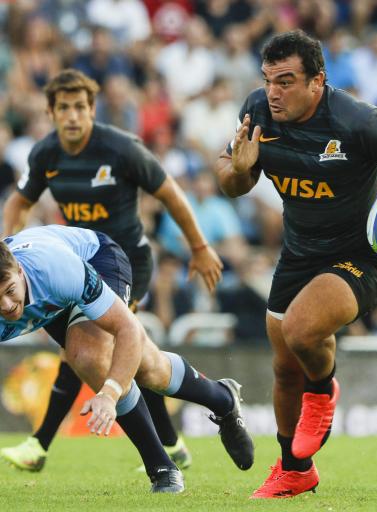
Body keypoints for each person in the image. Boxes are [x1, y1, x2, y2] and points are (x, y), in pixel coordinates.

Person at [215, 30, 377, 498]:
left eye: (286, 81)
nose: (274, 92)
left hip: (360, 256)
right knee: (284, 367)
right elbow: (230, 180)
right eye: (268, 80)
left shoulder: (357, 121)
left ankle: (323, 390)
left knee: (301, 330)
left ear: (318, 81)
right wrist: (240, 169)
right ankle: (294, 468)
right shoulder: (258, 111)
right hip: (299, 253)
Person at [0, 68, 220, 473]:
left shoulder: (121, 149)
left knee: (92, 351)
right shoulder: (45, 154)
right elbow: (18, 202)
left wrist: (200, 247)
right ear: (50, 112)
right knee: (120, 357)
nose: (72, 116)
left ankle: (41, 445)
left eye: (79, 107)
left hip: (122, 260)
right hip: (71, 262)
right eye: (63, 108)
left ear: (92, 109)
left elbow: (170, 192)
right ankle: (173, 444)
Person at [0, 224, 254, 492]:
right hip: (53, 298)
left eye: (9, 290)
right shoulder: (17, 294)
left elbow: (128, 329)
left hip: (96, 259)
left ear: (19, 270)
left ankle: (163, 465)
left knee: (93, 357)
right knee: (148, 368)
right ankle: (219, 401)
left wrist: (110, 394)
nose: (6, 306)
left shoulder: (56, 270)